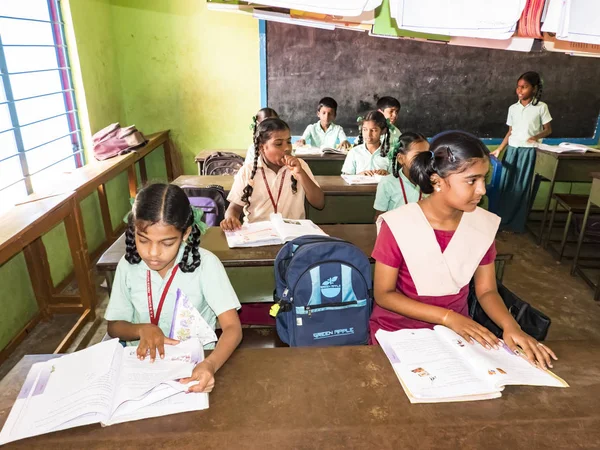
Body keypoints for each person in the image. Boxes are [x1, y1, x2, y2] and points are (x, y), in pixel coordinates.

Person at [370, 131, 557, 369]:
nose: (482, 190)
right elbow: (384, 295)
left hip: (458, 333)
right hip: (399, 331)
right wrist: (447, 317)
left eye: (484, 179)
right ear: (437, 180)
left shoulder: (482, 224)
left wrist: (511, 326)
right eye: (471, 180)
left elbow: (487, 291)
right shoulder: (398, 224)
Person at [105, 183, 242, 392]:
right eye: (143, 240)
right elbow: (114, 326)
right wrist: (141, 329)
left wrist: (210, 364)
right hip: (142, 366)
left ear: (185, 234)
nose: (153, 253)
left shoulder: (206, 265)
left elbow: (233, 328)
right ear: (134, 230)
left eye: (167, 243)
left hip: (195, 365)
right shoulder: (128, 265)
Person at [221, 117, 324, 230]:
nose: (287, 148)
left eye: (289, 142)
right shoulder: (247, 171)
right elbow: (234, 208)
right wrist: (231, 218)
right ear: (262, 147)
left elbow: (319, 203)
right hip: (258, 234)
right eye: (278, 144)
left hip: (294, 234)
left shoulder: (301, 166)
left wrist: (300, 174)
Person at [492, 71, 552, 232]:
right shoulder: (513, 108)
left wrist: (535, 137)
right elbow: (510, 131)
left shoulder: (541, 107)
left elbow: (548, 130)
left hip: (529, 152)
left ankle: (515, 223)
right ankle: (500, 221)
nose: (520, 91)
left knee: (522, 186)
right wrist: (499, 149)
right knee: (506, 185)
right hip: (512, 150)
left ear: (534, 88)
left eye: (524, 87)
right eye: (518, 87)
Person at [373, 131, 429, 217]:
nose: (423, 159)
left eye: (427, 155)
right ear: (400, 158)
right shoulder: (387, 183)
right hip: (395, 229)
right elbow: (379, 217)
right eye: (417, 155)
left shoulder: (432, 181)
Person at [341, 110, 391, 175]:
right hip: (358, 185)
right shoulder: (354, 152)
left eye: (373, 130)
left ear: (383, 131)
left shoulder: (390, 154)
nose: (368, 134)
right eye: (365, 129)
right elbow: (345, 178)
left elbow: (395, 180)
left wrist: (387, 174)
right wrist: (359, 175)